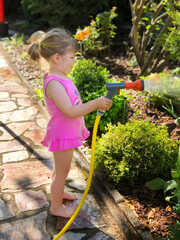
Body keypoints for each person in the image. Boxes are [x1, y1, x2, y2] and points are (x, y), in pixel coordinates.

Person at [28, 28, 112, 218]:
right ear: (57, 58)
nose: (75, 61)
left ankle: (58, 192)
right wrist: (96, 103)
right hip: (62, 134)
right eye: (73, 57)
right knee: (62, 172)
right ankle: (56, 206)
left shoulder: (61, 77)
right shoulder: (54, 83)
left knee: (60, 170)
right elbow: (70, 111)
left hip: (67, 131)